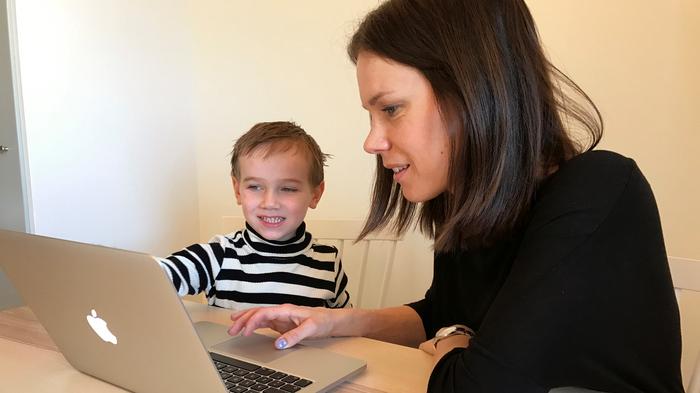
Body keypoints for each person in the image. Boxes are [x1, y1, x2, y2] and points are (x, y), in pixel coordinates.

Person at [228, 1, 684, 392]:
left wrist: (453, 339)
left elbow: (473, 385)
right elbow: (441, 312)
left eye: (391, 109)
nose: (372, 141)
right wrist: (333, 321)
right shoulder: (467, 204)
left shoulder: (598, 191)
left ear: (474, 92)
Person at [157, 121, 351, 310]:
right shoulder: (218, 255)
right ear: (238, 190)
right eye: (255, 187)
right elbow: (153, 277)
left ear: (315, 195)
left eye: (288, 188)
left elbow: (347, 326)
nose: (270, 203)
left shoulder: (328, 262)